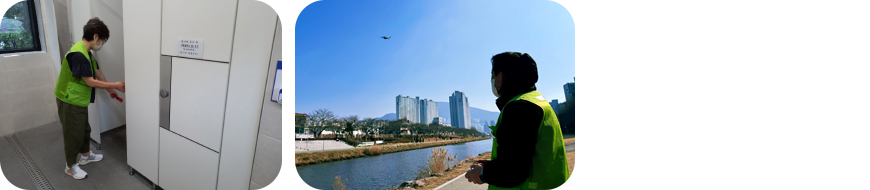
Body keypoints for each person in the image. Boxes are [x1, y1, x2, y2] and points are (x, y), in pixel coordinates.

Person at [464, 52, 569, 189]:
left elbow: (512, 171)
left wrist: (482, 174)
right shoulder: (536, 100)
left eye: (493, 76)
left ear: (501, 78)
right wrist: (494, 165)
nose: (492, 81)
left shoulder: (519, 107)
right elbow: (521, 155)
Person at [54, 17, 125, 180]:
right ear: (95, 37)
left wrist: (111, 89)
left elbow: (97, 73)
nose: (101, 44)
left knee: (84, 129)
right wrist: (114, 84)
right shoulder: (78, 54)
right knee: (73, 134)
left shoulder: (88, 53)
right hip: (69, 100)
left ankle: (86, 156)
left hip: (78, 99)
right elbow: (90, 81)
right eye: (102, 40)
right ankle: (70, 166)